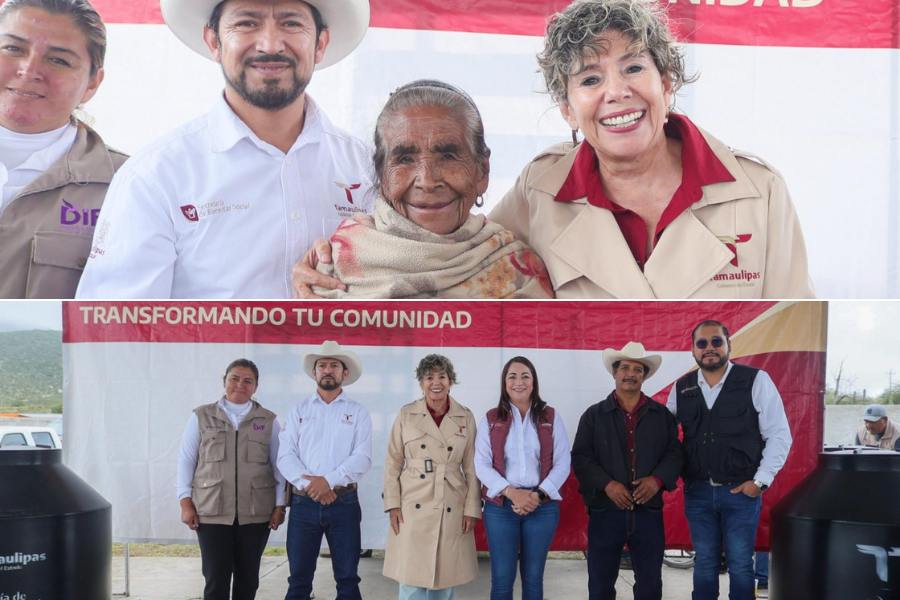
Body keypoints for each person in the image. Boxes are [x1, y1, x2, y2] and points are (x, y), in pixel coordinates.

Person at [489, 0, 814, 298]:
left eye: (633, 68)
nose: (616, 92)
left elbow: (792, 324)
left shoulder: (760, 191)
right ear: (568, 110)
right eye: (590, 80)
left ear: (666, 82)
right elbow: (464, 271)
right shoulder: (539, 190)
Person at [75, 0, 374, 298]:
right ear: (213, 41)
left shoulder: (367, 169)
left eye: (291, 23)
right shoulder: (154, 176)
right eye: (246, 23)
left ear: (320, 44)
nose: (270, 44)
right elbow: (114, 327)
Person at [308, 79, 552, 299]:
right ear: (381, 173)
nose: (426, 180)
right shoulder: (333, 265)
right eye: (405, 159)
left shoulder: (517, 270)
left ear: (482, 171)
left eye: (447, 156)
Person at [0, 0, 126, 298]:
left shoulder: (128, 184)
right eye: (12, 48)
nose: (29, 70)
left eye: (58, 60)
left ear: (92, 83)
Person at [667, 320, 793, 600]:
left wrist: (760, 482)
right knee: (704, 564)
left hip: (741, 493)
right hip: (698, 492)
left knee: (739, 565)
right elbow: (663, 436)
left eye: (716, 342)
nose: (709, 348)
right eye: (702, 343)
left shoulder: (756, 380)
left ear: (728, 345)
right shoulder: (682, 388)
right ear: (692, 350)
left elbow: (779, 435)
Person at [572, 342, 682, 600]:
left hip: (648, 513)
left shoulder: (661, 415)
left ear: (644, 375)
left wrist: (656, 481)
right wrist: (607, 485)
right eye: (624, 368)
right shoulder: (594, 416)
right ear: (615, 372)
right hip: (605, 512)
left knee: (650, 586)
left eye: (637, 369)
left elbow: (675, 454)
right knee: (600, 585)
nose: (630, 373)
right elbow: (581, 457)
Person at [176, 358, 287, 600]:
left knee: (248, 579)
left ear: (255, 387)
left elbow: (279, 466)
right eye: (234, 378)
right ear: (224, 381)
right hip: (211, 510)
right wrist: (185, 502)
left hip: (256, 513)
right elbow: (186, 459)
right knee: (216, 577)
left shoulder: (268, 421)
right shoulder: (201, 416)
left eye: (248, 381)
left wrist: (280, 505)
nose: (240, 384)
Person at [277, 341, 372, 600]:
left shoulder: (358, 412)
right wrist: (312, 486)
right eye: (322, 366)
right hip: (303, 504)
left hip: (344, 503)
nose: (327, 370)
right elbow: (285, 456)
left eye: (334, 365)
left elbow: (362, 458)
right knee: (298, 580)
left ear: (345, 374)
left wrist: (327, 482)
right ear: (314, 373)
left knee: (348, 579)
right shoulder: (298, 410)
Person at [383, 354, 481, 599]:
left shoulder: (465, 416)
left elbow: (472, 467)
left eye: (442, 376)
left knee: (445, 575)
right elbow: (393, 462)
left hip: (451, 501)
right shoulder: (407, 414)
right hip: (412, 501)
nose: (436, 382)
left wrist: (472, 508)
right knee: (411, 576)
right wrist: (392, 504)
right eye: (429, 377)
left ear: (451, 381)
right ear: (421, 382)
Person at [474, 356, 570, 600]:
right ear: (504, 383)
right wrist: (511, 492)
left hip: (542, 506)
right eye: (512, 376)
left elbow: (563, 463)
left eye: (525, 376)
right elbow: (481, 465)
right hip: (501, 508)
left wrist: (537, 495)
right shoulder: (491, 418)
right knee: (502, 580)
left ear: (534, 382)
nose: (519, 382)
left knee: (533, 579)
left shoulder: (551, 416)